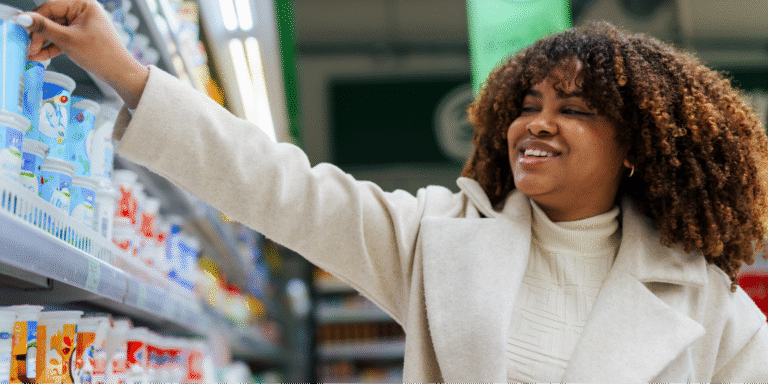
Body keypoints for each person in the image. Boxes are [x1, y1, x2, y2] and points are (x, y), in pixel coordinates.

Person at [15, 1, 768, 381]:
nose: (536, 125)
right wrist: (128, 74)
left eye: (572, 110)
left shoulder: (708, 305)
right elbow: (280, 188)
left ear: (635, 149)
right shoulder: (437, 239)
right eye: (527, 105)